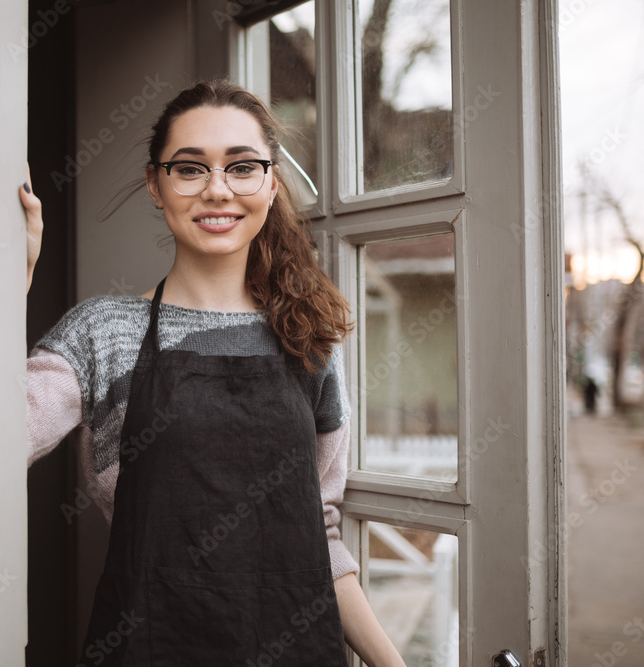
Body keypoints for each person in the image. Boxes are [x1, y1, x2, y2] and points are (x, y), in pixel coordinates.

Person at [20, 80, 405, 666]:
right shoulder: (104, 334)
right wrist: (5, 281)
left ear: (271, 184)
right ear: (157, 184)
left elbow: (319, 537)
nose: (218, 190)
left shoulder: (310, 340)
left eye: (242, 167)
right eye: (190, 169)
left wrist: (392, 664)